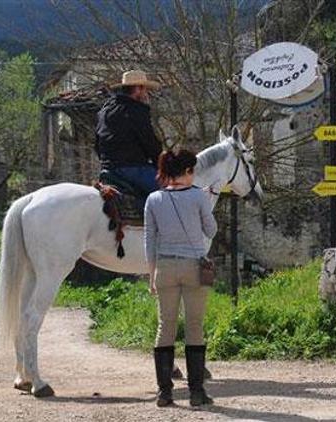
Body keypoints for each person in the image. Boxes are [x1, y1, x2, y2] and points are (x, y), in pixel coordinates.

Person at [144, 148, 217, 407]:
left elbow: (149, 241)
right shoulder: (198, 196)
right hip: (194, 267)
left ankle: (165, 393)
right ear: (187, 171)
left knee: (166, 326)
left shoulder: (153, 199)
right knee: (194, 326)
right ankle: (196, 392)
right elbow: (211, 229)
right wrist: (205, 204)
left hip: (164, 267)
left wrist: (152, 275)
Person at [96, 70, 163, 201]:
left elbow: (97, 141)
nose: (146, 94)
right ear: (138, 88)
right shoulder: (136, 110)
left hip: (108, 169)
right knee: (170, 194)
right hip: (133, 168)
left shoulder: (105, 110)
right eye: (145, 89)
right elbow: (149, 142)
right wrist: (161, 163)